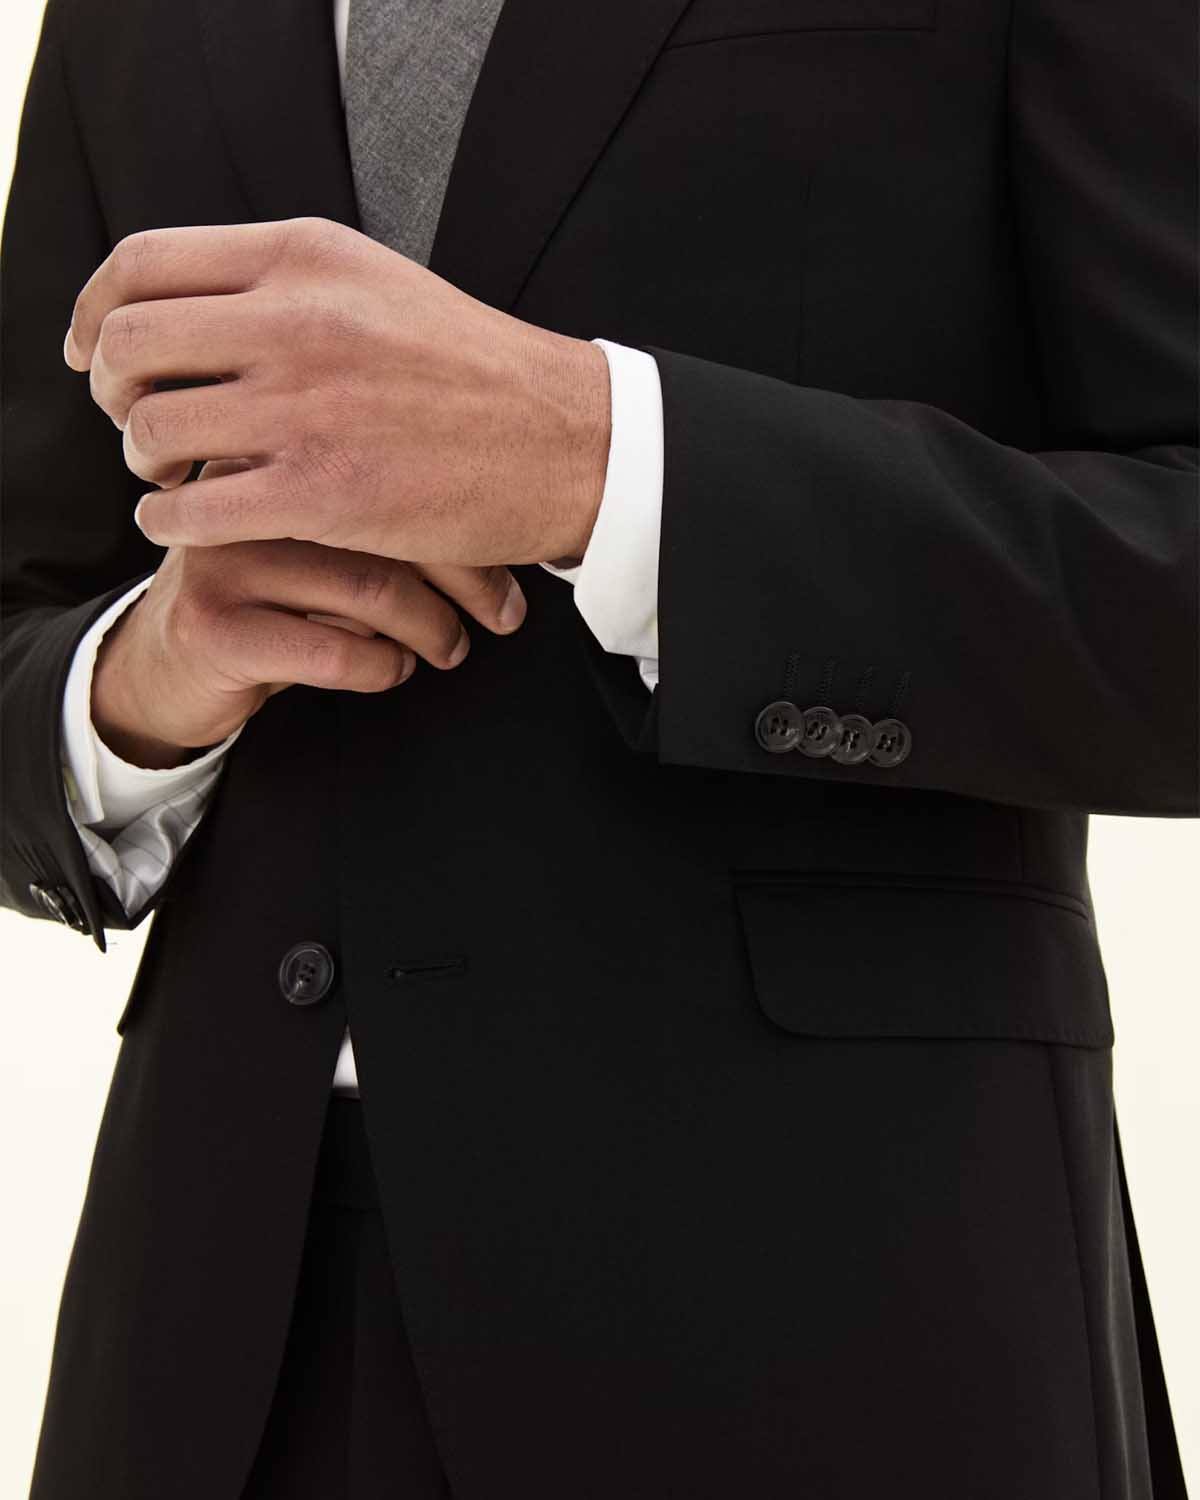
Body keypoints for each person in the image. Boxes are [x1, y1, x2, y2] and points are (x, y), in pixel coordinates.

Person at [2, 0, 1195, 1495]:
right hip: (218, 1339)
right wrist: (147, 671)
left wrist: (611, 461)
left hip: (837, 1309)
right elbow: (26, 614)